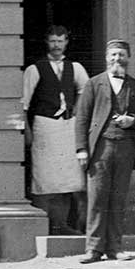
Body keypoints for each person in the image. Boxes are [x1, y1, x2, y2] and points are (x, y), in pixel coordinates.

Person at [74, 39, 135, 262]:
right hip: (100, 148)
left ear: (128, 58)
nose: (117, 59)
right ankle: (93, 248)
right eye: (113, 55)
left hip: (126, 148)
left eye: (121, 55)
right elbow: (82, 119)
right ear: (107, 58)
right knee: (97, 197)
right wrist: (81, 148)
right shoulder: (93, 84)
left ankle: (115, 247)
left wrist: (132, 120)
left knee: (118, 198)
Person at [22, 25, 88, 234]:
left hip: (68, 127)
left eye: (60, 41)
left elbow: (86, 91)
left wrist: (76, 110)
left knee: (67, 179)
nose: (56, 45)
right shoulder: (35, 69)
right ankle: (43, 226)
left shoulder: (75, 68)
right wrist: (27, 130)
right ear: (47, 42)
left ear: (66, 42)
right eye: (53, 41)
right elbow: (24, 102)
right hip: (45, 126)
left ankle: (62, 225)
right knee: (44, 177)